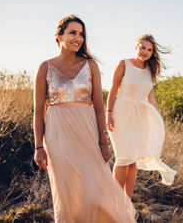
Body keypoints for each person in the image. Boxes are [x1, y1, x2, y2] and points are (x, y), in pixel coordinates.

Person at [33, 15, 136, 223]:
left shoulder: (90, 66)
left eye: (81, 34)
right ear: (59, 36)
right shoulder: (45, 67)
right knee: (66, 191)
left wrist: (103, 141)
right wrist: (38, 147)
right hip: (57, 134)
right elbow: (38, 110)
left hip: (87, 132)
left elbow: (99, 106)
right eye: (72, 33)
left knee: (95, 187)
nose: (78, 38)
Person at [106, 34, 177, 199]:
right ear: (136, 47)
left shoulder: (150, 71)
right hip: (121, 114)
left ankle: (126, 203)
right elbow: (113, 89)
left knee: (132, 162)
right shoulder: (123, 64)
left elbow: (150, 98)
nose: (145, 51)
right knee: (123, 158)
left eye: (149, 49)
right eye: (142, 47)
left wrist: (158, 120)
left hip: (140, 119)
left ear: (152, 53)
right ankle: (114, 201)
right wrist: (109, 113)